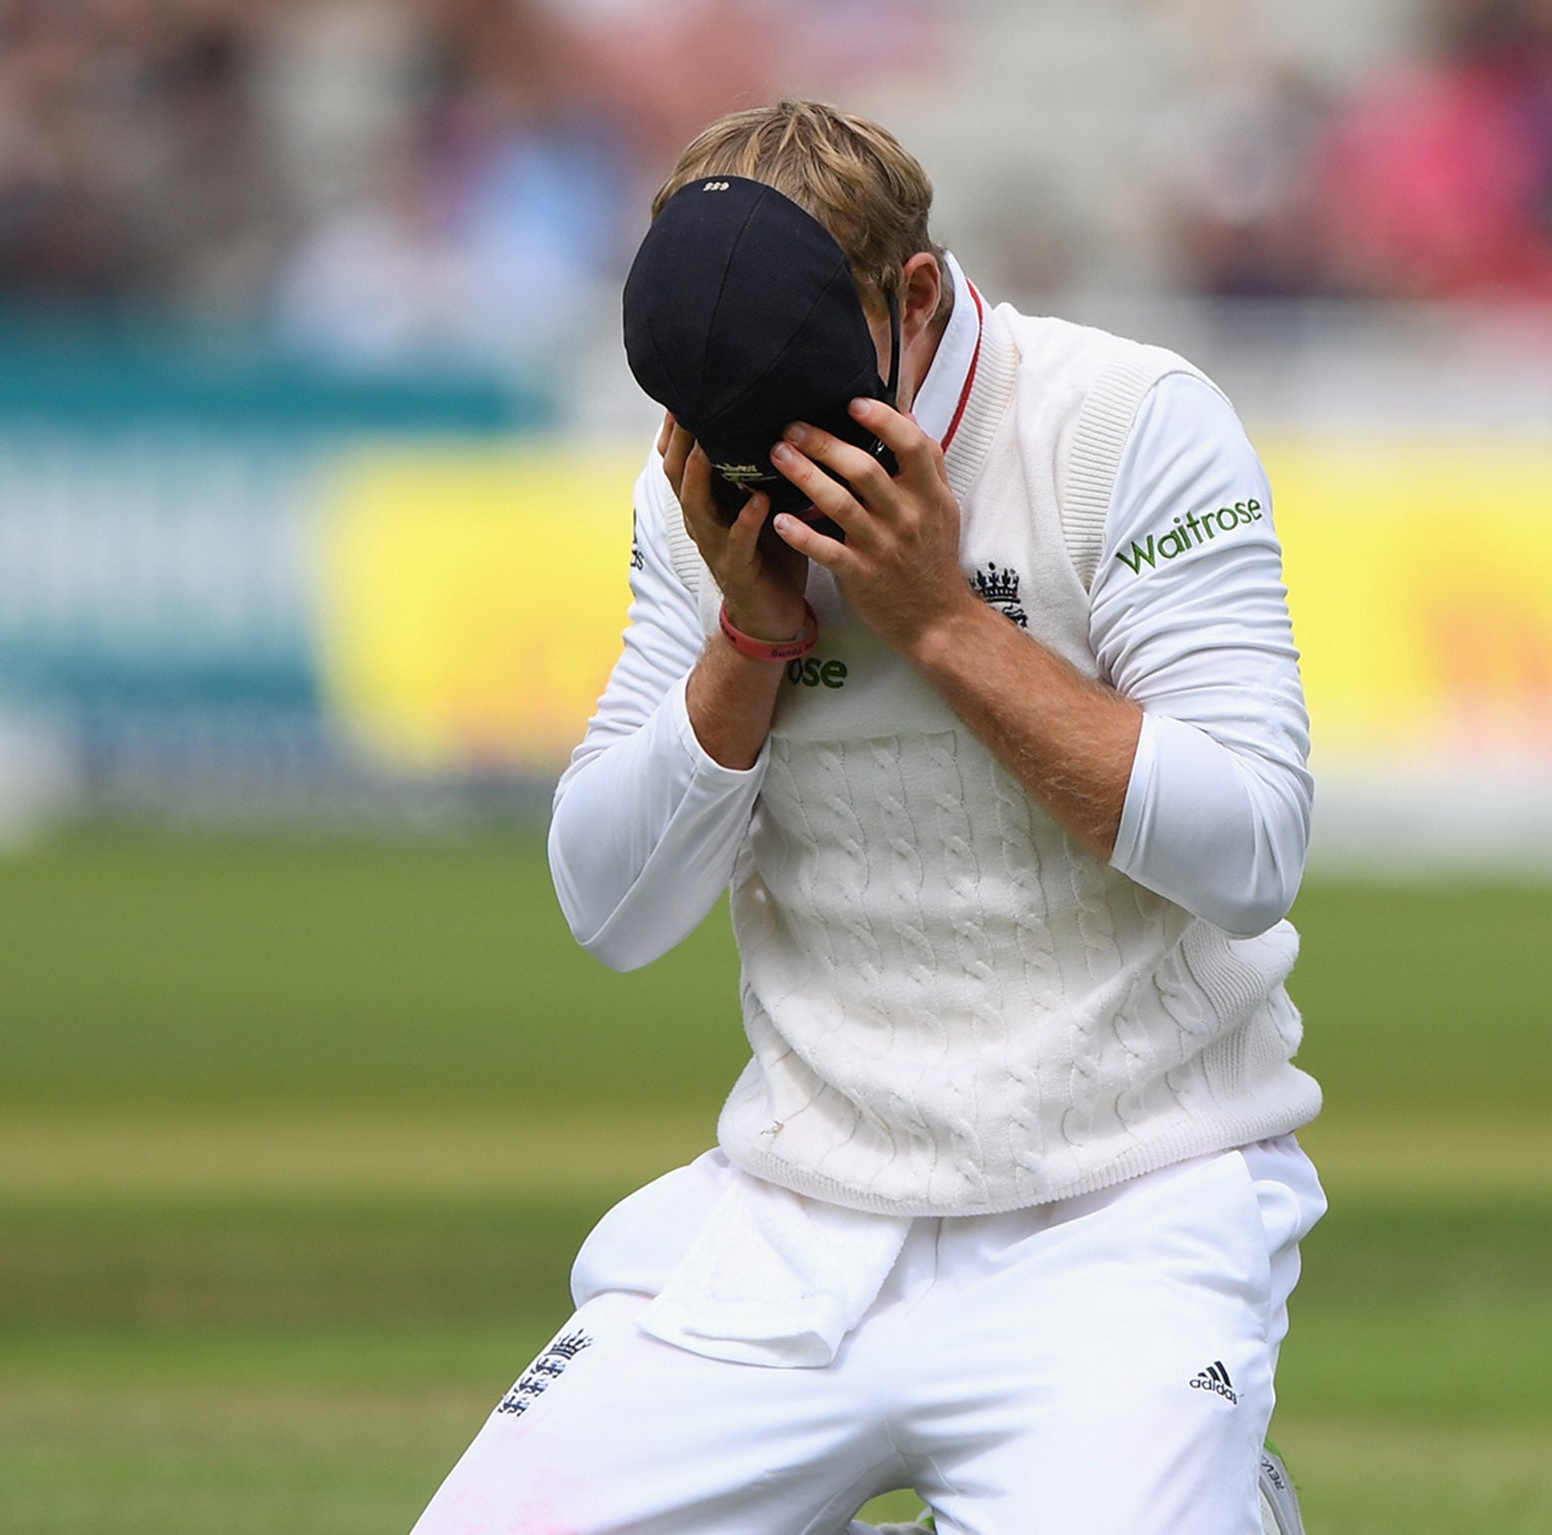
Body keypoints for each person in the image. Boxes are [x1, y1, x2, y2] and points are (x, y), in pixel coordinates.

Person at [411, 100, 1325, 1535]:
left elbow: (1255, 849)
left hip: (1127, 1213)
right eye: (720, 415)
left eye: (799, 394)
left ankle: (1218, 1493)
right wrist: (748, 642)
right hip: (796, 1213)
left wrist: (945, 625)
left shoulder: (1122, 424)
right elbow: (611, 909)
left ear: (911, 296)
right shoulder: (707, 489)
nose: (764, 460)